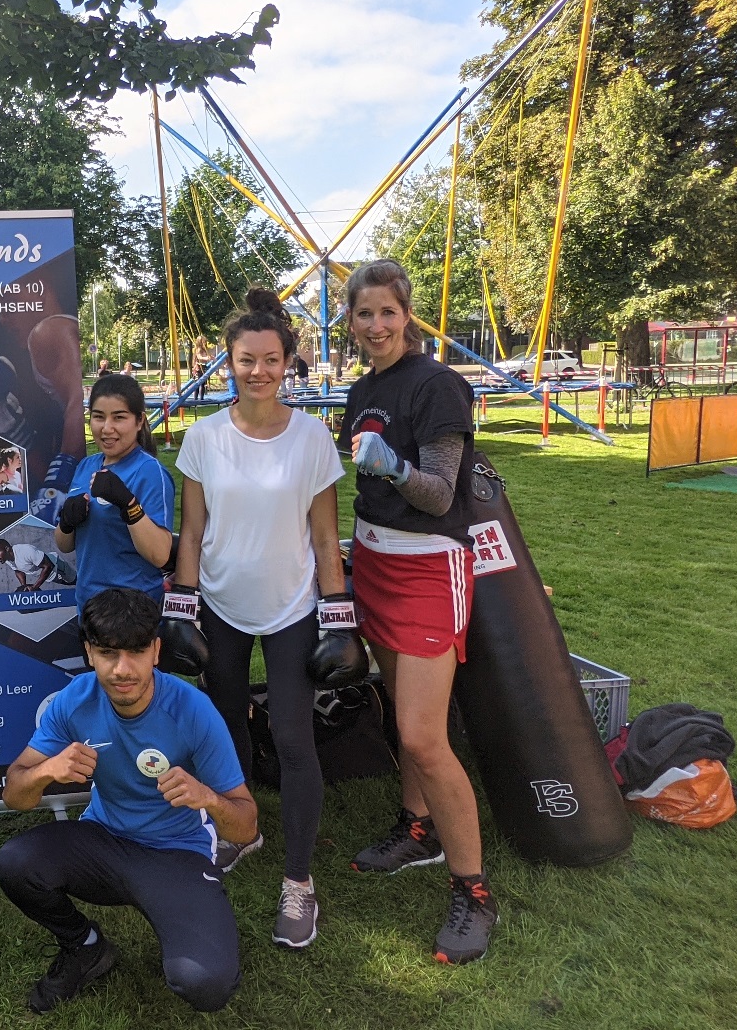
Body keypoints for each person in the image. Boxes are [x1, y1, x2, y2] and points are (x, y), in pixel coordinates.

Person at [173, 288, 349, 948]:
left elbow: (326, 538)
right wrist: (181, 608)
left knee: (293, 738)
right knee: (225, 730)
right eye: (246, 359)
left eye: (271, 359)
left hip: (291, 606)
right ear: (229, 361)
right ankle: (242, 831)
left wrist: (339, 618)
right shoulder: (203, 436)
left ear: (287, 362)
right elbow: (192, 533)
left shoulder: (311, 437)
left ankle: (299, 881)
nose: (258, 371)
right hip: (220, 604)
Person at [336, 259, 497, 965]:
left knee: (425, 737)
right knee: (401, 712)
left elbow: (439, 493)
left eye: (387, 312)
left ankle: (474, 891)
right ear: (350, 320)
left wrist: (394, 467)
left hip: (429, 567)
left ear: (408, 315)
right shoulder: (362, 390)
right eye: (363, 313)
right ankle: (417, 827)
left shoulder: (437, 384)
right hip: (374, 561)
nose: (376, 325)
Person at [0, 589, 255, 1014]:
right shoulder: (75, 700)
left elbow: (245, 827)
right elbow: (14, 795)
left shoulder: (193, 710)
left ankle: (189, 921)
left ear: (156, 651)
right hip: (104, 839)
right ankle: (85, 946)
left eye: (136, 652)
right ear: (89, 653)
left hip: (175, 851)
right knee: (16, 862)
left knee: (205, 984)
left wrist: (207, 798)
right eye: (107, 653)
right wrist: (46, 771)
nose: (122, 669)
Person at [53, 373, 174, 605]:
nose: (107, 428)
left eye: (119, 417)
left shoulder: (149, 471)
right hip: (89, 605)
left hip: (133, 608)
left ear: (139, 421)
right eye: (99, 417)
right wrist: (67, 521)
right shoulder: (85, 466)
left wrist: (129, 505)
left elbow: (160, 555)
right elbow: (64, 545)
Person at [0, 538, 75, 591]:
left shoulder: (26, 551)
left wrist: (35, 586)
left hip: (57, 568)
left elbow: (48, 566)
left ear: (7, 549)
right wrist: (23, 586)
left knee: (76, 581)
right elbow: (18, 571)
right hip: (49, 576)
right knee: (72, 583)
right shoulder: (7, 558)